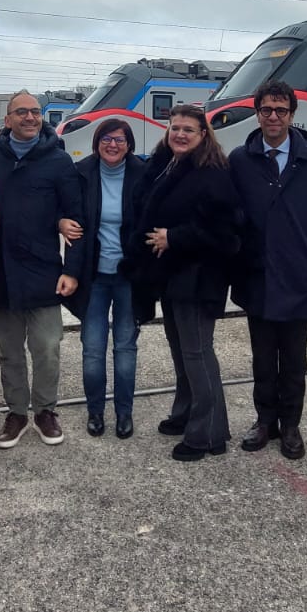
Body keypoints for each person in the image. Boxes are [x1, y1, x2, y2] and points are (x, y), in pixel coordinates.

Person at [228, 79, 307, 460]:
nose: (273, 116)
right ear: (257, 114)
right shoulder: (241, 160)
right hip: (257, 273)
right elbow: (231, 211)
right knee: (261, 356)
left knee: (294, 359)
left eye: (281, 110)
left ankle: (290, 425)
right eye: (266, 110)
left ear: (293, 114)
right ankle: (264, 421)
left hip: (300, 275)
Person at [124, 104, 241, 461]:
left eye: (188, 129)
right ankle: (186, 412)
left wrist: (175, 237)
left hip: (199, 277)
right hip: (173, 275)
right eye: (175, 128)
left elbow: (226, 232)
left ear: (203, 135)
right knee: (181, 352)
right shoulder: (168, 164)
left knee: (198, 353)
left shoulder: (213, 172)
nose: (180, 134)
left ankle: (209, 434)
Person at [0, 91, 82, 448]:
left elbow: (75, 219)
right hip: (2, 274)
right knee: (9, 350)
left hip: (43, 273)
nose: (30, 117)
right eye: (21, 112)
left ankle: (45, 410)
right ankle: (17, 413)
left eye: (35, 112)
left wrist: (71, 270)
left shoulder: (59, 161)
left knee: (47, 347)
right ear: (7, 120)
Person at [65, 117, 147, 438]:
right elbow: (74, 225)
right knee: (93, 350)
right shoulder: (82, 173)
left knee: (126, 348)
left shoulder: (142, 174)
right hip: (93, 276)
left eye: (120, 139)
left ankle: (124, 413)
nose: (113, 145)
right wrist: (70, 269)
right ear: (97, 142)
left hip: (129, 277)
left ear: (129, 145)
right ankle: (95, 412)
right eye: (106, 139)